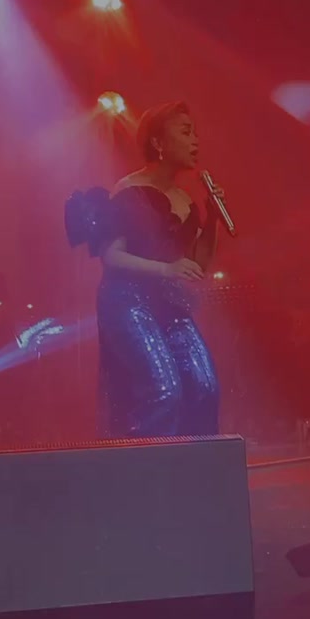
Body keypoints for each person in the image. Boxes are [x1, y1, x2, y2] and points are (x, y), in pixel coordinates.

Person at [66, 101, 222, 438]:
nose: (195, 140)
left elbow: (197, 265)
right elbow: (112, 256)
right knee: (165, 390)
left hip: (170, 303)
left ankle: (196, 464)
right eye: (186, 132)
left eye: (195, 133)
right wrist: (167, 269)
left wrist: (212, 220)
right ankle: (143, 464)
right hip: (127, 300)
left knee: (205, 386)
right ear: (158, 142)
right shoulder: (130, 190)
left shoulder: (186, 200)